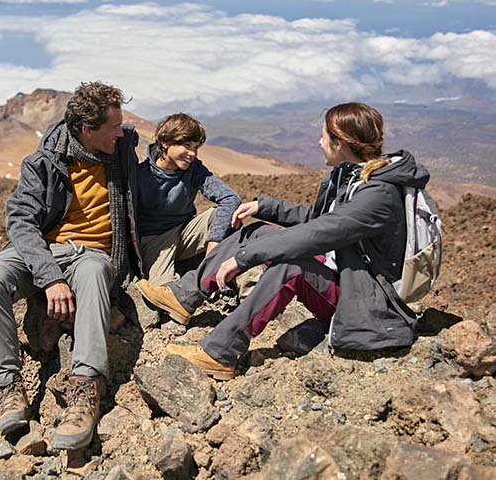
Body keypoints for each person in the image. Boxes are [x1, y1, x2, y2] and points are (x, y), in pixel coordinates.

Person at [138, 102, 427, 379]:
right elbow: (317, 218)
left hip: (365, 302)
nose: (320, 143)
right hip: (347, 278)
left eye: (324, 136)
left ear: (339, 142)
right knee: (255, 231)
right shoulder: (352, 177)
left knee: (291, 267)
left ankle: (220, 352)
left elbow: (318, 233)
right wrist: (264, 207)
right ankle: (183, 295)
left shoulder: (377, 195)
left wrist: (243, 258)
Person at [0, 81, 141, 450]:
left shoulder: (123, 148)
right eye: (114, 126)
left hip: (92, 255)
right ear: (86, 129)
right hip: (47, 250)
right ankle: (8, 386)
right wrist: (50, 277)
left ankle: (86, 390)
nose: (122, 132)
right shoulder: (45, 161)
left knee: (95, 272)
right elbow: (20, 220)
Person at [137, 113, 241, 290]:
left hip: (186, 232)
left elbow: (230, 198)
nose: (192, 154)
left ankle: (247, 288)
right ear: (164, 142)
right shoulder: (140, 175)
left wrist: (214, 242)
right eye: (186, 146)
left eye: (196, 147)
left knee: (230, 217)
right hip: (154, 241)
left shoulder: (194, 169)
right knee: (163, 290)